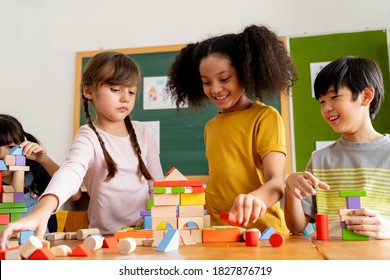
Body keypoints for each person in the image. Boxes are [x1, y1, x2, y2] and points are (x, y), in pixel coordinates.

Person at [0, 51, 164, 248]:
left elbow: (157, 186)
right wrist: (43, 209)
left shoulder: (144, 133)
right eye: (115, 89)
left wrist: (156, 217)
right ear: (88, 91)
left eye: (131, 91)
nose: (125, 98)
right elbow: (71, 172)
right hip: (104, 239)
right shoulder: (88, 136)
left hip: (146, 235)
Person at [166, 25, 297, 233]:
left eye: (224, 79)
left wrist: (255, 198)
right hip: (220, 231)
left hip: (263, 233)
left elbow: (276, 183)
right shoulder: (211, 126)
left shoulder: (265, 117)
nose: (215, 89)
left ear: (245, 73)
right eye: (206, 82)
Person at [284, 56, 390, 239]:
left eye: (334, 97)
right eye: (322, 101)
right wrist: (290, 188)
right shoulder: (320, 159)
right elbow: (297, 227)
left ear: (366, 96)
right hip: (330, 261)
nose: (326, 108)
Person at [0, 114, 59, 232]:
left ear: (22, 146)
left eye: (11, 147)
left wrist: (44, 160)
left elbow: (75, 195)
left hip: (42, 244)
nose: (2, 155)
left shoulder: (37, 172)